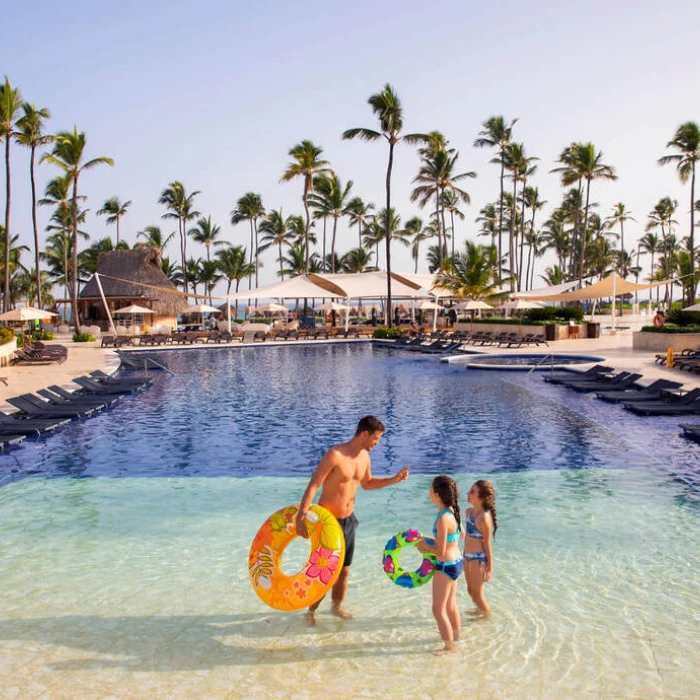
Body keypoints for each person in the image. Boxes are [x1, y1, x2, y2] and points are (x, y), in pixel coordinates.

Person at [295, 415, 410, 623]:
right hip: (328, 523)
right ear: (364, 434)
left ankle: (335, 607)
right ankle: (310, 612)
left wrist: (393, 480)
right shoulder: (335, 455)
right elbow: (314, 485)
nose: (377, 443)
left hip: (349, 521)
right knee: (325, 571)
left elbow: (367, 483)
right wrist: (300, 516)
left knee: (344, 571)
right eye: (376, 439)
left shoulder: (364, 458)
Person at [416, 475, 463, 655]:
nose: (428, 492)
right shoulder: (453, 512)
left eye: (430, 489)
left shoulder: (442, 519)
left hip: (445, 566)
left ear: (436, 495)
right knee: (451, 604)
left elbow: (440, 552)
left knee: (438, 609)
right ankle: (457, 636)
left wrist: (424, 547)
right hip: (456, 563)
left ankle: (449, 647)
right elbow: (455, 538)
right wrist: (429, 541)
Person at [463, 480, 497, 617]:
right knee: (470, 590)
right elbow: (467, 536)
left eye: (472, 492)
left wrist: (489, 568)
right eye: (469, 491)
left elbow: (487, 544)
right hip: (467, 556)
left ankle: (487, 617)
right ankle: (480, 611)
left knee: (478, 593)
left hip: (478, 559)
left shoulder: (484, 518)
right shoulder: (468, 512)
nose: (468, 494)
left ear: (481, 498)